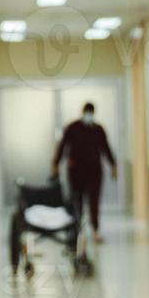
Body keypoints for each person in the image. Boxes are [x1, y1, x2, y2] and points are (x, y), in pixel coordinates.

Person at [51, 102, 118, 245]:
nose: (88, 115)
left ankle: (95, 230)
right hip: (76, 173)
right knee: (77, 202)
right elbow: (63, 145)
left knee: (94, 201)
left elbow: (106, 148)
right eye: (87, 112)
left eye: (90, 113)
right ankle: (78, 231)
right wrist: (56, 163)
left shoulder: (98, 129)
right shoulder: (73, 128)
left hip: (94, 172)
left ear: (93, 114)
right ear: (83, 112)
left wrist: (113, 165)